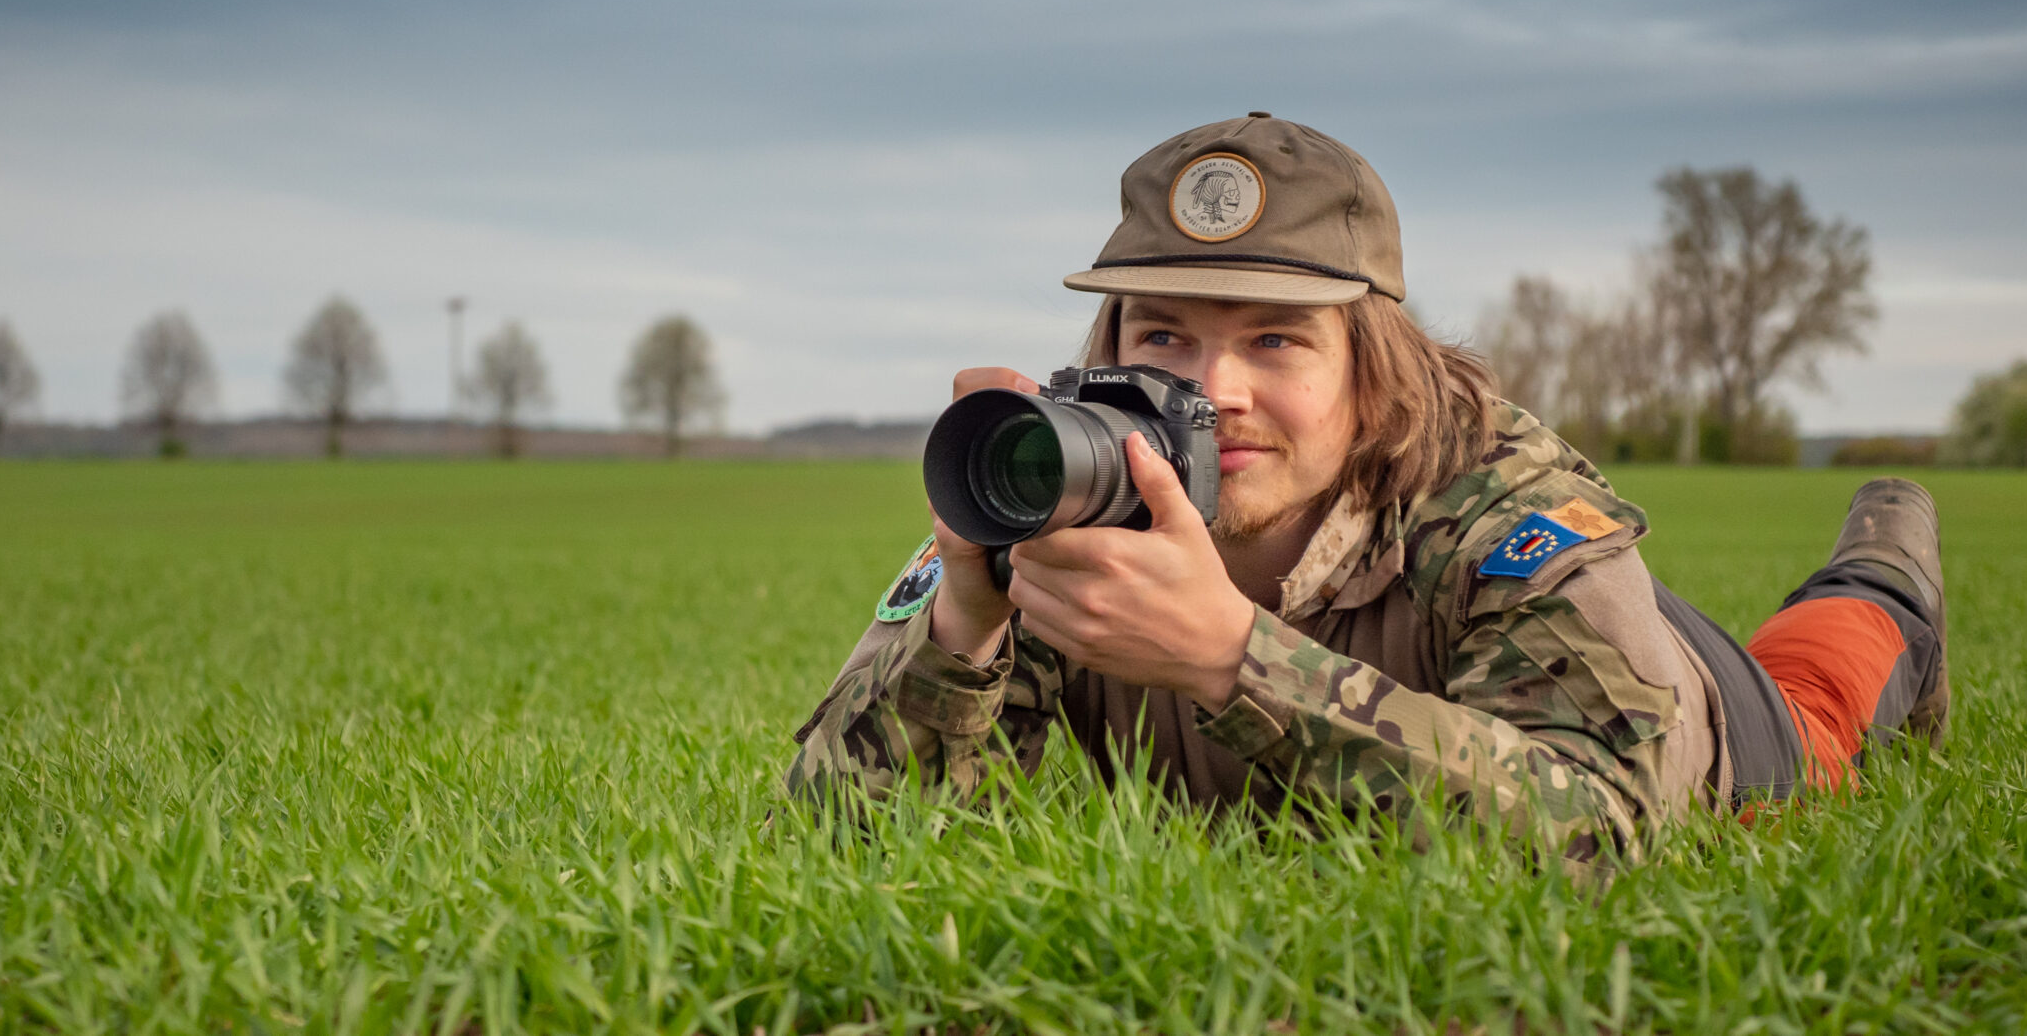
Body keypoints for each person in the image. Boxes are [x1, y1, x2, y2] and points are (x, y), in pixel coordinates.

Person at [785, 113, 1947, 869]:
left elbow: (1599, 829)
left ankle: (1890, 553)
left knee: (1828, 677)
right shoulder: (1069, 481)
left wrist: (1227, 656)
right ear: (1109, 339)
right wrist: (964, 626)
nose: (1213, 389)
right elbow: (841, 839)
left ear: (1367, 363)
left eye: (1277, 341)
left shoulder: (1505, 504)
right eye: (1166, 334)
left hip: (1706, 718)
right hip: (1482, 675)